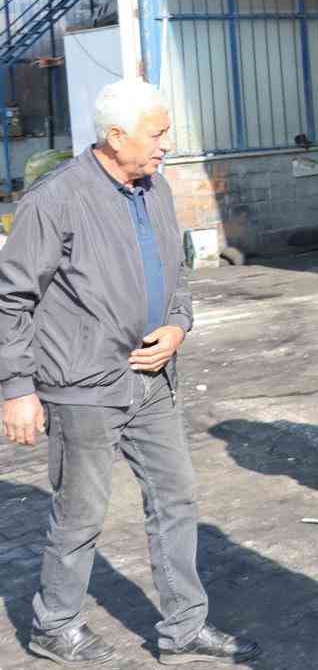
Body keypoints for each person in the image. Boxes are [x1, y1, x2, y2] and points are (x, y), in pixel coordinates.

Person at [0, 79, 260, 665]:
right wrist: (16, 389)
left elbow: (177, 276)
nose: (166, 145)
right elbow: (11, 299)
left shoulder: (156, 190)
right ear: (116, 137)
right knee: (80, 514)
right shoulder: (55, 199)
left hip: (153, 381)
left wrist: (177, 325)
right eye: (157, 134)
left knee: (176, 501)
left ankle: (184, 628)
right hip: (82, 387)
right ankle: (54, 626)